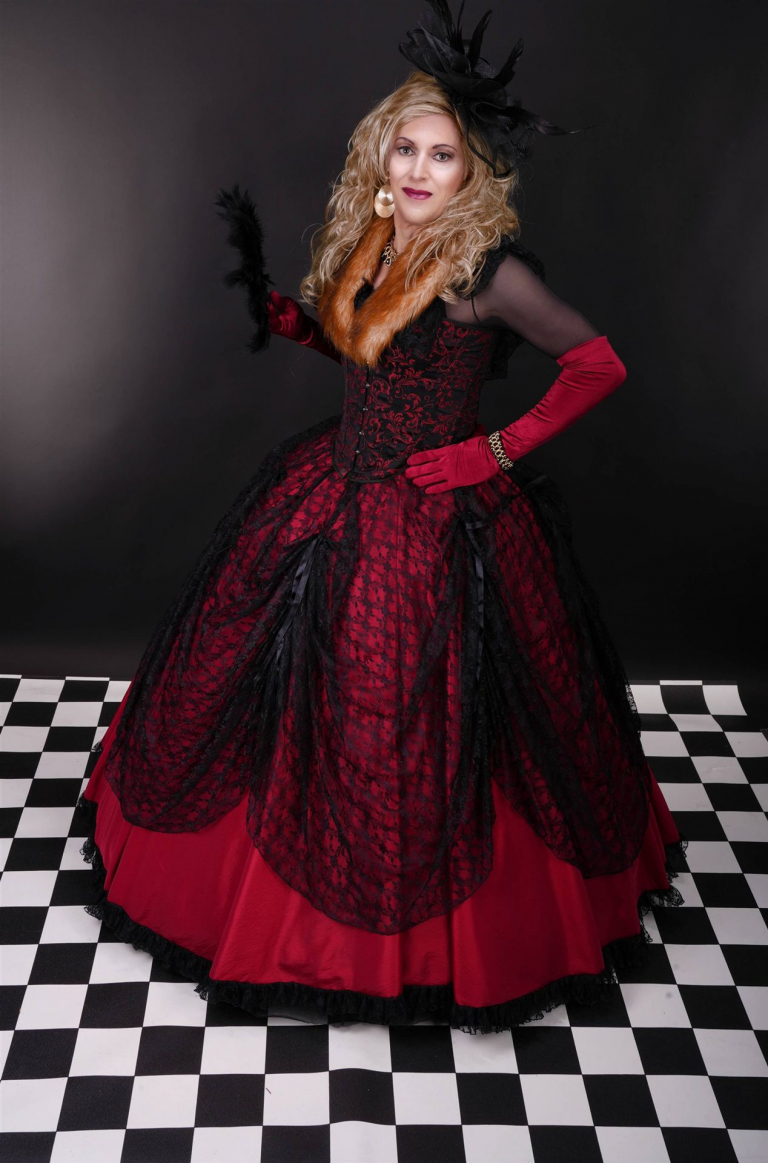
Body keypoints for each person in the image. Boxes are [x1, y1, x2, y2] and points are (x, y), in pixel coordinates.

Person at [78, 1, 686, 1034]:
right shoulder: (373, 239)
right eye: (405, 148)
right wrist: (297, 323)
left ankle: (425, 939)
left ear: (470, 172)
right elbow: (368, 350)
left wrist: (495, 451)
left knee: (415, 705)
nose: (417, 169)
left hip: (436, 512)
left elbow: (598, 365)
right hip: (336, 485)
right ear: (381, 152)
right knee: (293, 694)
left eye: (441, 155)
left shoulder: (487, 272)